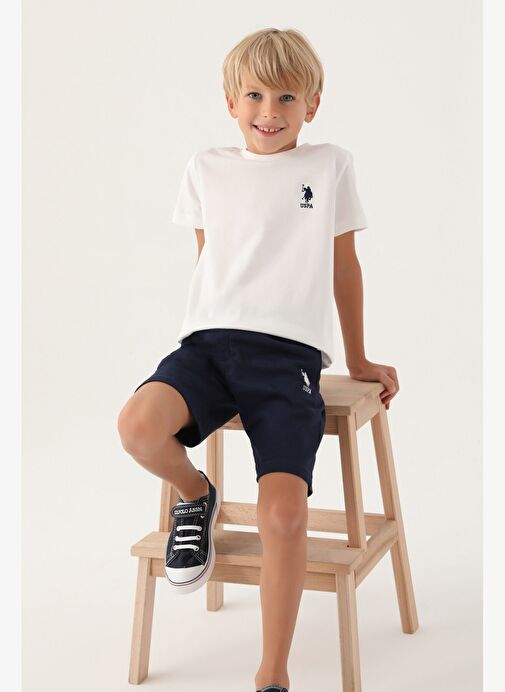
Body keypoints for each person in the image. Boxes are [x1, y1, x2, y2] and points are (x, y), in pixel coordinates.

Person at [117, 27, 399, 692]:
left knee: (284, 517)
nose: (268, 111)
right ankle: (197, 497)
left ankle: (272, 674)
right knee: (136, 427)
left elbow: (344, 266)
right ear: (230, 102)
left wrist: (358, 356)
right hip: (207, 346)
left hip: (287, 359)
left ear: (312, 105)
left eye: (286, 97)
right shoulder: (205, 167)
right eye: (253, 96)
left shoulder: (329, 165)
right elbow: (210, 257)